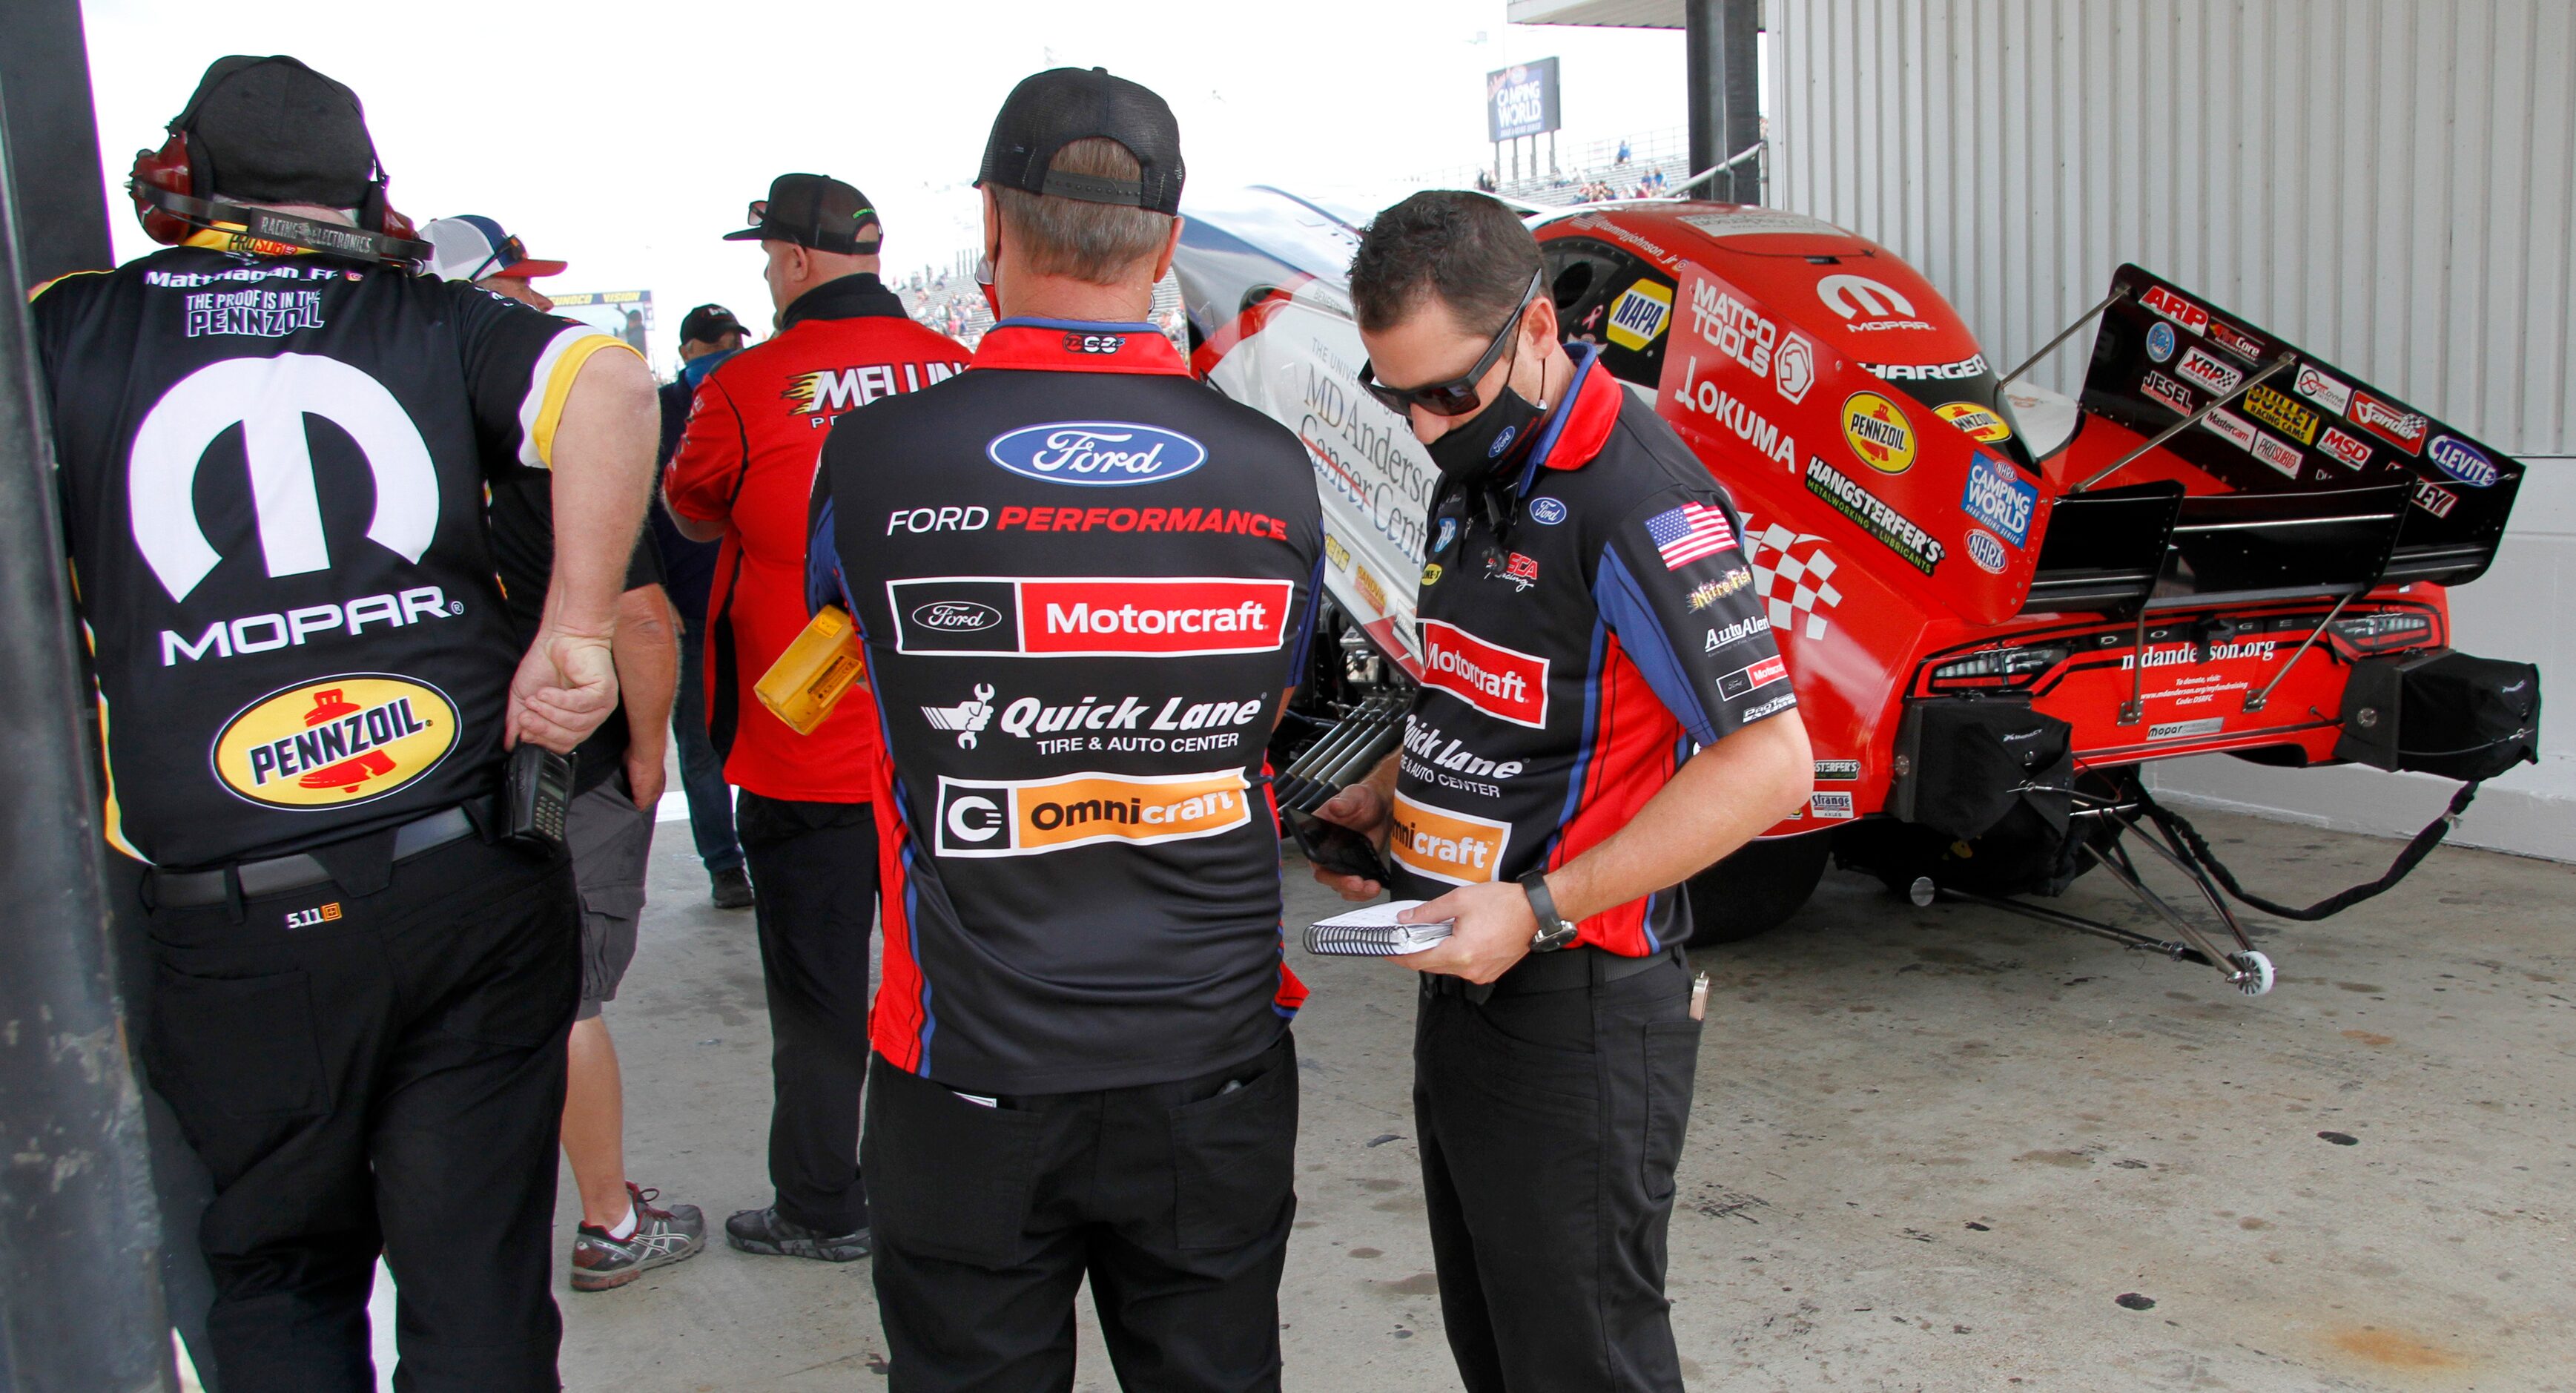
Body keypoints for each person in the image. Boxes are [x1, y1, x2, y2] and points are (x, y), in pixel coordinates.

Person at [32, 56, 655, 1389]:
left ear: (187, 178)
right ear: (363, 189)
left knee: (276, 1273)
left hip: (232, 910)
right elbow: (607, 384)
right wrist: (577, 632)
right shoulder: (426, 317)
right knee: (479, 1279)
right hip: (465, 866)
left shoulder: (66, 327)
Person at [811, 67, 1324, 1392]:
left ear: (990, 222)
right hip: (1209, 1059)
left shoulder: (873, 457)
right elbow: (1262, 712)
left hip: (965, 1067)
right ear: (1165, 242)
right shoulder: (1272, 468)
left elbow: (823, 671)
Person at [1310, 190, 1813, 1393]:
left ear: (1536, 327)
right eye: (1397, 395)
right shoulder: (1473, 467)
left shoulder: (1636, 494)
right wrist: (1382, 795)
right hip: (1461, 981)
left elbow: (1770, 761)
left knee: (1580, 1363)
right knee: (1496, 1350)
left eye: (1446, 393)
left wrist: (1537, 905)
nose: (1425, 426)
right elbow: (1490, 695)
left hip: (1576, 1005)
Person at [664, 173, 966, 1263]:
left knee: (818, 997)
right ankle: (963, 1192)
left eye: (766, 257)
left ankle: (823, 1203)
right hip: (953, 748)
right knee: (964, 979)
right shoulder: (959, 369)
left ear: (792, 261)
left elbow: (692, 509)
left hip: (805, 755)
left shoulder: (741, 385)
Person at [423, 216, 708, 1291]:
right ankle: (608, 1221)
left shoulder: (402, 425)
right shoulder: (556, 446)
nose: (536, 305)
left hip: (426, 771)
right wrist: (647, 753)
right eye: (513, 288)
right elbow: (640, 620)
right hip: (556, 767)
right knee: (568, 995)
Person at [655, 303, 755, 909]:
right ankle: (724, 864)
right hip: (688, 608)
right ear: (688, 349)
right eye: (715, 343)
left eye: (734, 341)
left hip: (756, 599)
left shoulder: (751, 395)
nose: (727, 351)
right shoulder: (656, 412)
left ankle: (769, 846)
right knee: (700, 744)